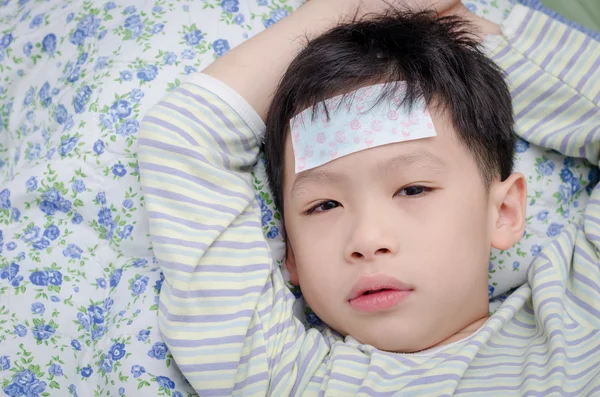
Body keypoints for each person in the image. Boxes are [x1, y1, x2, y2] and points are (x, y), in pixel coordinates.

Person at [138, 0, 600, 395]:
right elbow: (183, 139)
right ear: (290, 253)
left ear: (503, 212)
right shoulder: (285, 376)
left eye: (413, 189)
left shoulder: (579, 316)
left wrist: (456, 22)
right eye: (323, 205)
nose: (368, 238)